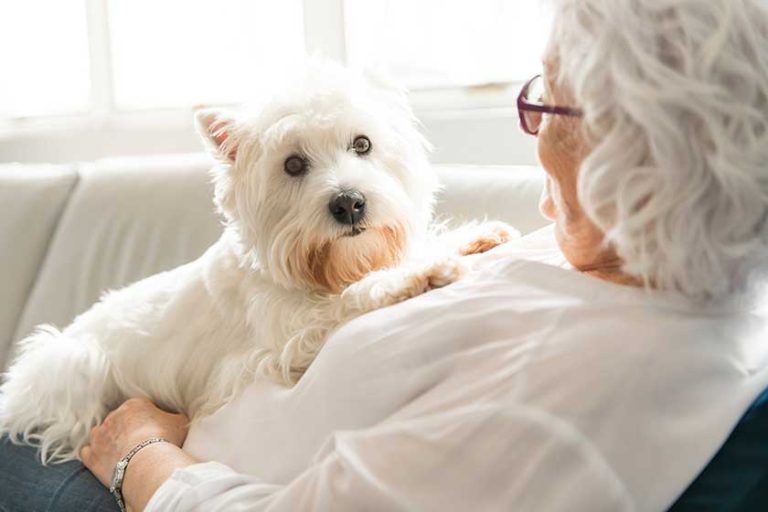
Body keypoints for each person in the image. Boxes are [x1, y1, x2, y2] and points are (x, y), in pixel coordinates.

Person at [2, 0, 768, 510]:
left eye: (545, 99)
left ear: (633, 147)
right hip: (86, 417)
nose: (530, 130)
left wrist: (137, 454)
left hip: (123, 478)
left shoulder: (586, 394)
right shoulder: (628, 262)